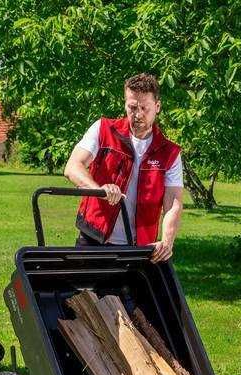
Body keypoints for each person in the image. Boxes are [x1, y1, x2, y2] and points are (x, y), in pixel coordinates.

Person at [64, 73, 183, 262]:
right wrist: (99, 190)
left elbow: (173, 203)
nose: (138, 115)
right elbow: (73, 167)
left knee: (129, 293)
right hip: (94, 238)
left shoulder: (169, 153)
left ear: (157, 107)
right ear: (125, 104)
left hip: (139, 247)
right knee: (83, 292)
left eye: (145, 108)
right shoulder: (103, 129)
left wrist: (166, 242)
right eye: (132, 107)